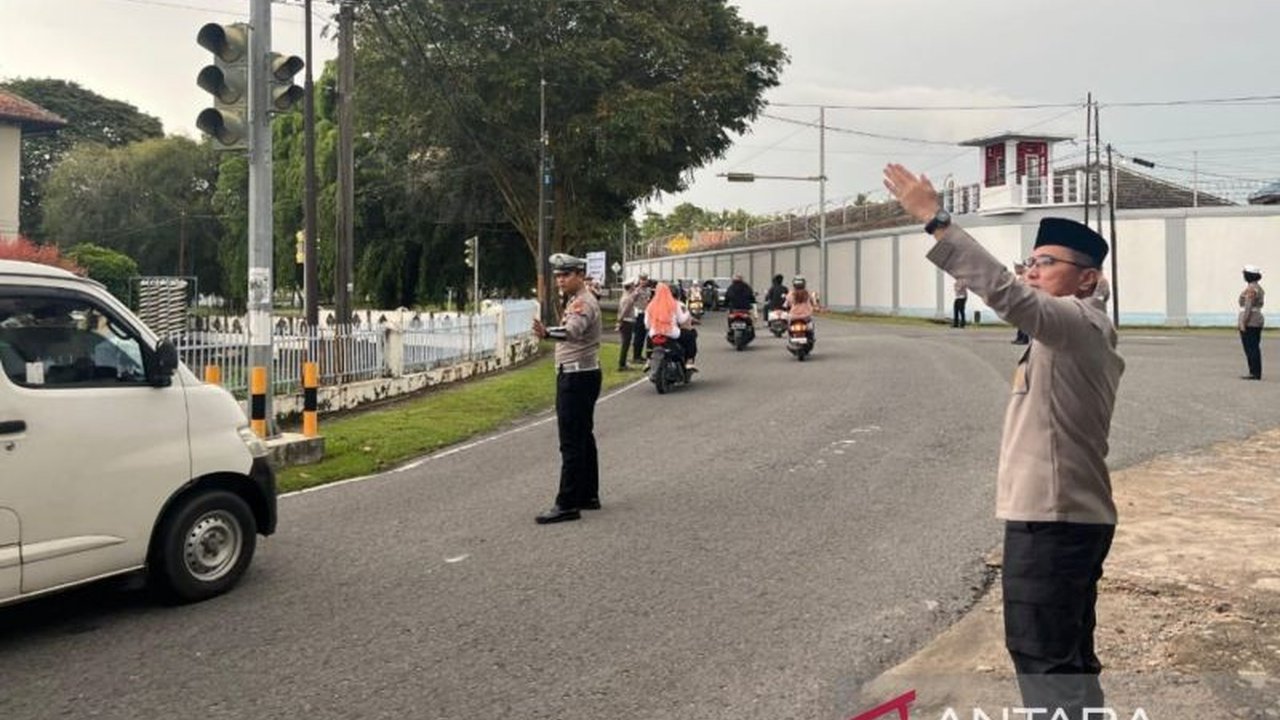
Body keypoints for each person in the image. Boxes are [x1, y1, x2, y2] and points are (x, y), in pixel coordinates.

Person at [884, 163, 1125, 720]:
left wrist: (936, 220)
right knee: (1066, 661)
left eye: (1047, 263)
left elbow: (1006, 293)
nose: (1032, 271)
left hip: (1055, 522)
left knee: (1045, 663)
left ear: (1087, 279)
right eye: (1031, 261)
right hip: (1061, 519)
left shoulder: (1077, 324)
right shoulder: (1069, 330)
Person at [531, 253, 603, 524]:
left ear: (580, 275)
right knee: (584, 437)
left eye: (566, 275)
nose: (560, 280)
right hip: (584, 374)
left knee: (571, 441)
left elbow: (572, 331)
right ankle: (588, 494)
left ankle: (567, 503)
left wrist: (547, 333)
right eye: (558, 276)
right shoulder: (578, 299)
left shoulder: (582, 302)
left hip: (575, 377)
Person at [644, 282, 698, 370]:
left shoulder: (651, 305)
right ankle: (689, 361)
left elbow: (647, 324)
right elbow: (681, 320)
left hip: (655, 333)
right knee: (691, 335)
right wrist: (687, 314)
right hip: (671, 332)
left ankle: (648, 360)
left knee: (648, 337)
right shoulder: (675, 304)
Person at [1238, 264, 1265, 380]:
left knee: (1250, 347)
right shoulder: (1258, 287)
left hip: (1251, 320)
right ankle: (1255, 371)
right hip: (1256, 319)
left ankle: (1254, 372)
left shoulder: (1251, 289)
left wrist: (1243, 322)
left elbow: (1248, 306)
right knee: (1254, 346)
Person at [784, 275, 818, 343]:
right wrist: (815, 307)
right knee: (811, 325)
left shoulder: (791, 294)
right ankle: (811, 336)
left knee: (789, 325)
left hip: (794, 316)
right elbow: (813, 303)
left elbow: (786, 304)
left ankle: (790, 337)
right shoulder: (807, 293)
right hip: (806, 316)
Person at [615, 278, 638, 371]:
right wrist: (620, 321)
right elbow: (624, 311)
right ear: (630, 287)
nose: (634, 287)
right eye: (633, 285)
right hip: (627, 321)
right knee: (626, 344)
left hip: (626, 321)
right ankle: (622, 363)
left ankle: (623, 362)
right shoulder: (628, 299)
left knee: (625, 343)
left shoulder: (625, 296)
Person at [631, 272, 653, 366]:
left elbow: (649, 300)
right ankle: (636, 356)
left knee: (644, 335)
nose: (643, 281)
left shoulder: (648, 290)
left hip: (646, 313)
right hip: (639, 314)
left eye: (645, 279)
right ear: (639, 280)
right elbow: (632, 301)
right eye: (642, 279)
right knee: (638, 336)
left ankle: (640, 355)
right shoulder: (636, 290)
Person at [1011, 261, 1030, 344]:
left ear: (1020, 268)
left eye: (1016, 268)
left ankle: (1024, 339)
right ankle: (1020, 337)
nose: (1015, 271)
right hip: (1022, 301)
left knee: (1024, 321)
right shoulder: (1022, 276)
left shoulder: (1026, 276)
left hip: (1025, 301)